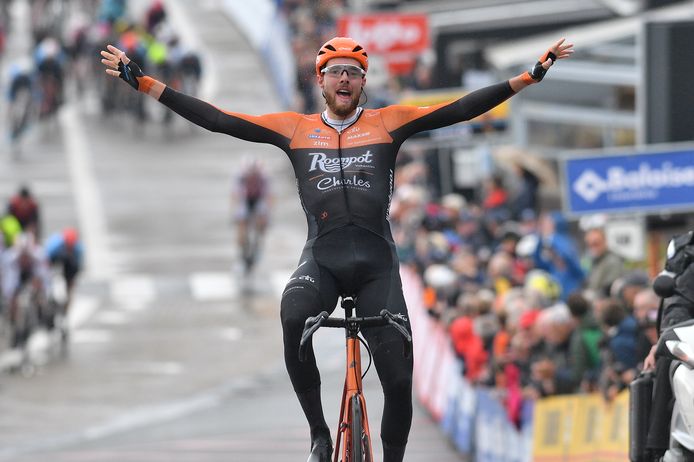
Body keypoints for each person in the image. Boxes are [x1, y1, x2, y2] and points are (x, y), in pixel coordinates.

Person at [100, 36, 573, 462]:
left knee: (399, 381)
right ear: (320, 81)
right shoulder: (295, 128)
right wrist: (143, 83)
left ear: (363, 82)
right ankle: (319, 434)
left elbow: (462, 108)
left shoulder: (391, 122)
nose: (344, 79)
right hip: (323, 258)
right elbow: (219, 119)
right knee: (292, 315)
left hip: (376, 266)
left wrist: (528, 76)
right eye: (335, 72)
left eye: (353, 72)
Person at [232, 158, 271, 273]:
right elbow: (235, 195)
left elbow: (269, 196)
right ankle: (242, 251)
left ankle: (257, 249)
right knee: (241, 227)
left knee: (261, 226)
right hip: (245, 200)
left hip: (259, 199)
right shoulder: (239, 177)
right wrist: (235, 215)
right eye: (250, 175)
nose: (252, 177)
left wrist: (267, 216)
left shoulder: (264, 177)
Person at [45, 227, 83, 317]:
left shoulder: (78, 249)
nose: (69, 247)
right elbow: (46, 261)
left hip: (69, 265)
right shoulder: (54, 246)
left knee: (70, 290)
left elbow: (77, 267)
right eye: (67, 245)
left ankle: (65, 313)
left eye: (71, 246)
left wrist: (71, 282)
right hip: (54, 261)